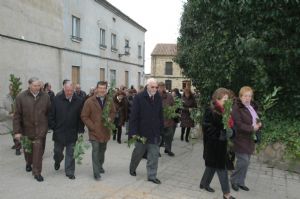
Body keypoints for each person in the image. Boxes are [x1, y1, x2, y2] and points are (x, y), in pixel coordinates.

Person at [200, 88, 235, 199]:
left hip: (221, 145)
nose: (227, 100)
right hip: (213, 145)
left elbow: (229, 125)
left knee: (211, 166)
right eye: (224, 98)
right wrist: (221, 134)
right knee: (222, 168)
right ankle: (226, 194)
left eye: (227, 98)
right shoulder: (210, 110)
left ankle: (204, 183)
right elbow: (206, 128)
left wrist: (230, 132)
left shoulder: (226, 110)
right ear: (217, 98)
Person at [13, 77, 51, 182]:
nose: (37, 88)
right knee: (28, 151)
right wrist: (17, 132)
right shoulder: (21, 97)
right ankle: (28, 162)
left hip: (40, 130)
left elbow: (48, 112)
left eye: (39, 85)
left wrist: (46, 125)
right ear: (29, 85)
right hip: (26, 130)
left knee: (38, 152)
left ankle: (37, 172)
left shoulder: (46, 97)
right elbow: (17, 116)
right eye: (35, 86)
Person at [129, 78, 163, 184]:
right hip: (141, 132)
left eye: (156, 87)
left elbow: (160, 114)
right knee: (138, 153)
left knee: (154, 155)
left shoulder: (158, 97)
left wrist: (161, 129)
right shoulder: (139, 97)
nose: (155, 89)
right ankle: (132, 167)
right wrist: (133, 132)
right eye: (152, 87)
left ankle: (152, 176)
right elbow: (133, 116)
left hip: (154, 132)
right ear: (147, 86)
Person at [48, 81, 85, 180]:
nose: (69, 93)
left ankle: (69, 171)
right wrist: (54, 126)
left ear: (74, 90)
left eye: (71, 91)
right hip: (59, 132)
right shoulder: (56, 99)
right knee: (57, 152)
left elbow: (81, 118)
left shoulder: (79, 101)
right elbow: (51, 115)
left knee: (70, 153)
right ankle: (57, 160)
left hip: (72, 132)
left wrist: (80, 131)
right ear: (64, 89)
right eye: (67, 90)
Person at [81, 81, 115, 181]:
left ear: (106, 89)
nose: (102, 90)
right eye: (100, 88)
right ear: (97, 89)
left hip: (105, 130)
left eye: (104, 88)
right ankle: (96, 172)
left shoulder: (109, 100)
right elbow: (84, 116)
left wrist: (110, 118)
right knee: (95, 150)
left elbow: (113, 112)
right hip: (94, 132)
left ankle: (100, 165)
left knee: (102, 150)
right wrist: (92, 126)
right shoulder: (89, 101)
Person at [230, 86, 262, 192]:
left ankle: (241, 182)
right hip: (240, 138)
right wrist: (252, 128)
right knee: (243, 161)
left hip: (249, 139)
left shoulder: (251, 107)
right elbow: (239, 125)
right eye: (245, 96)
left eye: (249, 96)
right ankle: (234, 180)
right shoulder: (236, 108)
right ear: (240, 96)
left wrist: (259, 123)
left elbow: (255, 118)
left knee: (246, 162)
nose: (247, 98)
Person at [158, 82, 175, 156]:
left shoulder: (169, 96)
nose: (162, 88)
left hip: (168, 120)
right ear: (158, 87)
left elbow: (173, 105)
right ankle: (157, 151)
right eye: (160, 87)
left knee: (169, 136)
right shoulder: (155, 96)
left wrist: (172, 109)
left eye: (163, 87)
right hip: (158, 120)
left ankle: (168, 149)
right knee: (158, 137)